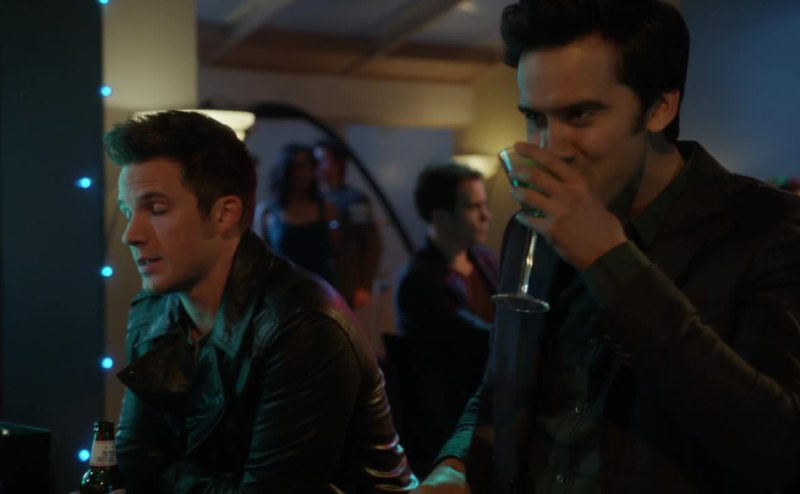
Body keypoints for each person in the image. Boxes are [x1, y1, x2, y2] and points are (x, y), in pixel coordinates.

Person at [418, 1, 800, 493]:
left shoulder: (767, 229)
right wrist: (456, 464)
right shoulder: (530, 229)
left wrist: (611, 262)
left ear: (660, 107)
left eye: (580, 114)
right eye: (535, 117)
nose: (550, 148)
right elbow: (501, 388)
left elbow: (781, 447)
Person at [106, 111, 417, 493]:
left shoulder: (302, 325)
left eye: (156, 209)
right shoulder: (153, 311)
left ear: (225, 214)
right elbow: (136, 461)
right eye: (127, 212)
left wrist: (166, 477)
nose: (131, 234)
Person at [395, 163, 498, 477]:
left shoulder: (484, 259)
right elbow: (475, 339)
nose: (487, 215)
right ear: (441, 216)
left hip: (487, 410)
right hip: (450, 427)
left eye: (484, 205)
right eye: (474, 207)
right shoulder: (420, 281)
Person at [252, 143, 336, 282]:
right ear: (286, 170)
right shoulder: (266, 212)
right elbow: (260, 260)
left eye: (309, 167)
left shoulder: (328, 210)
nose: (303, 174)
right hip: (281, 288)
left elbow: (340, 255)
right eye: (297, 167)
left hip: (321, 288)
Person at [313, 139, 382, 309]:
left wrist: (364, 285)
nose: (318, 166)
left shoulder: (355, 200)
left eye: (323, 160)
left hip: (344, 285)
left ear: (338, 164)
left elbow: (370, 242)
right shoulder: (312, 200)